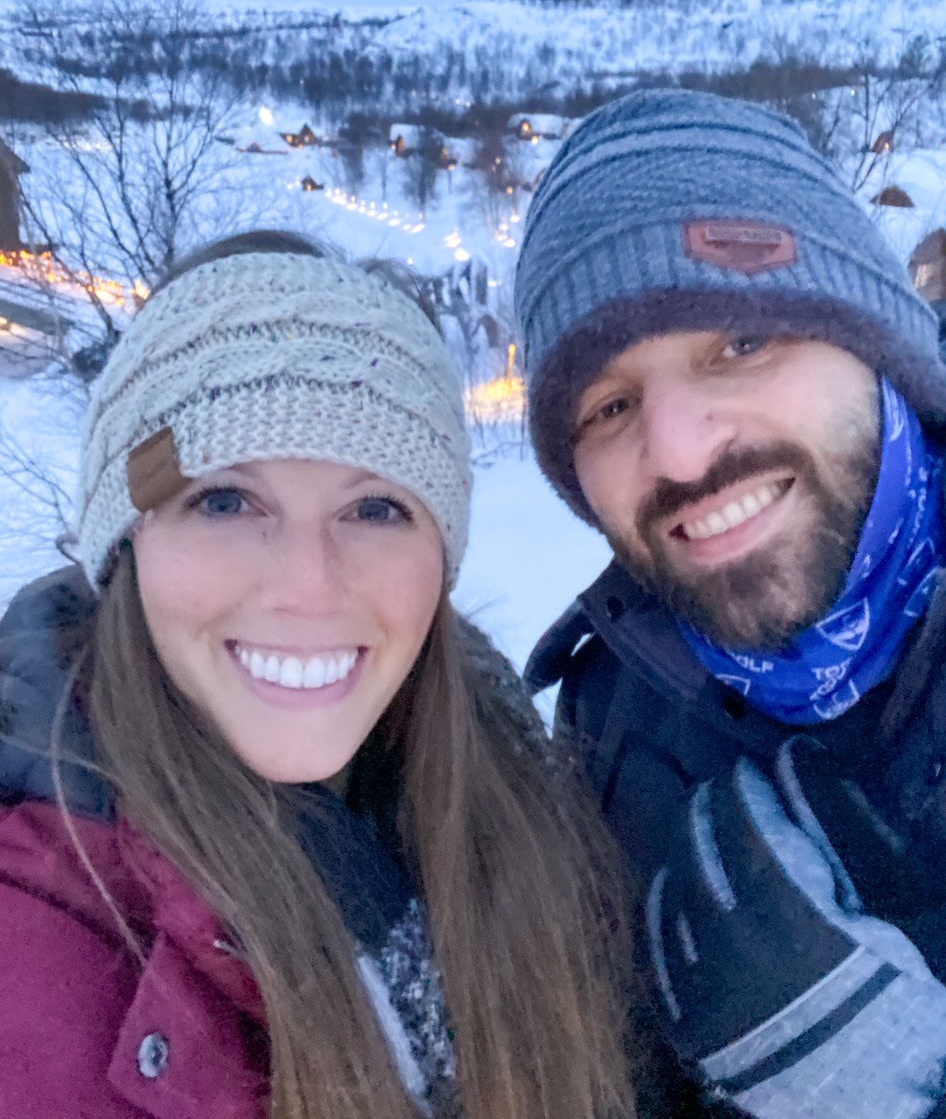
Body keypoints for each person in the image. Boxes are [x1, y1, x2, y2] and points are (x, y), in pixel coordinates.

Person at [0, 232, 638, 1119]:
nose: (307, 586)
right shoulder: (35, 943)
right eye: (224, 501)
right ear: (125, 545)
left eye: (374, 508)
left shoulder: (525, 821)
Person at [514, 90, 946, 1118]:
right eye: (611, 405)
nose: (678, 451)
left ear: (879, 345)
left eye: (743, 344)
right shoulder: (611, 714)